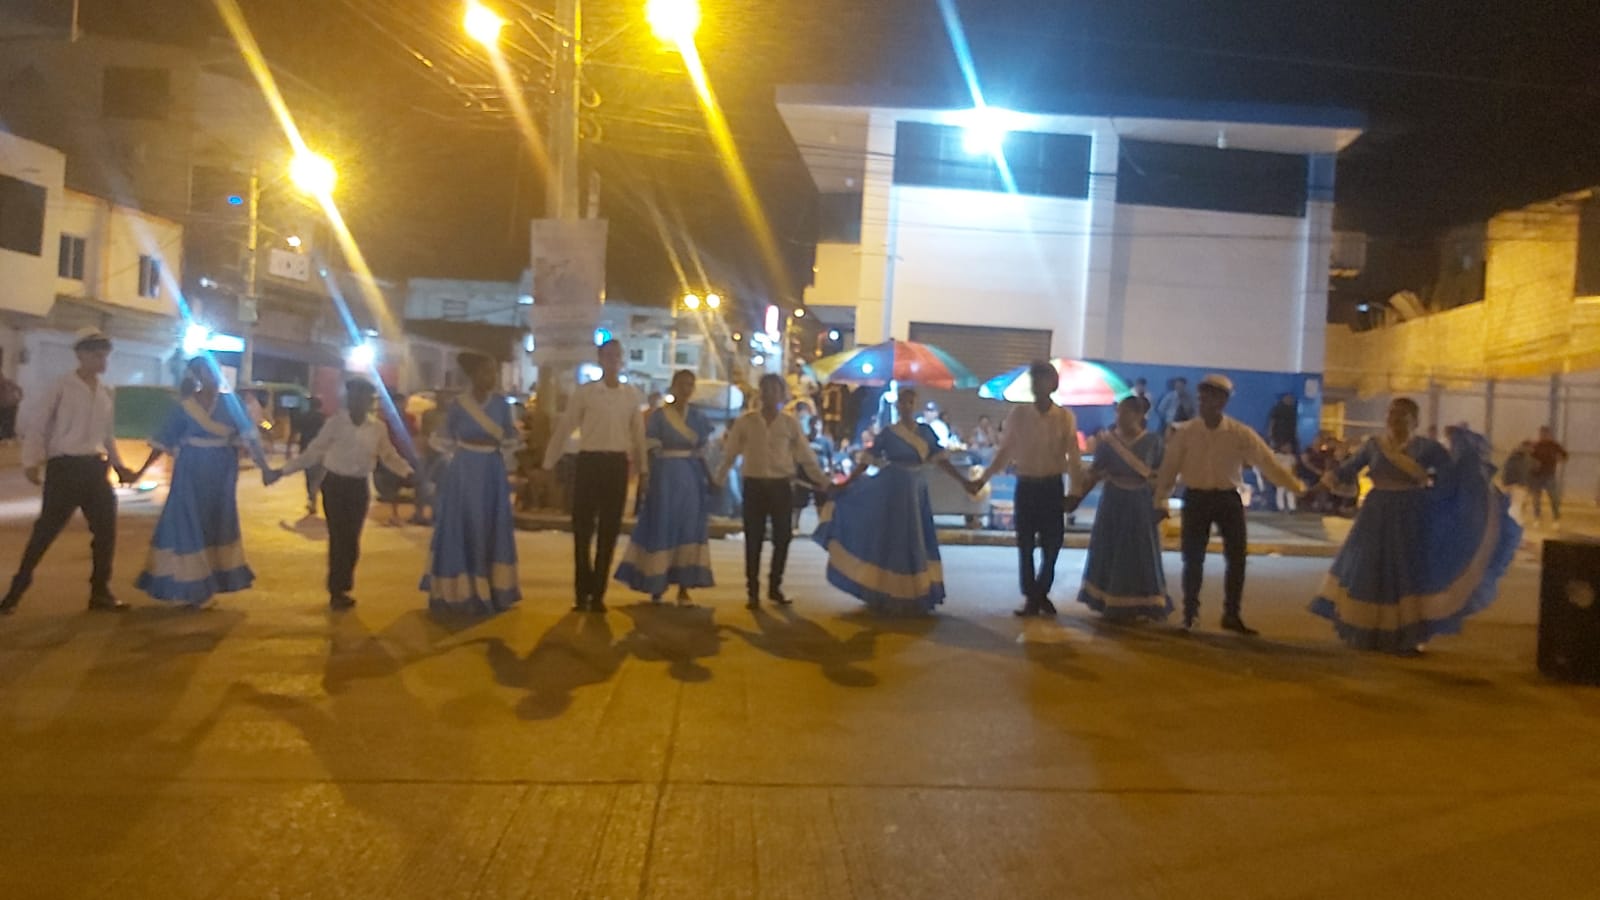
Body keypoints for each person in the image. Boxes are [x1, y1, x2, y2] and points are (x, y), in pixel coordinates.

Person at [1310, 403, 1521, 654]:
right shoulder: (1374, 446)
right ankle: (1368, 633)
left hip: (1411, 518)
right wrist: (1315, 489)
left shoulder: (1428, 449)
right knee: (1370, 568)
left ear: (1415, 421)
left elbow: (1449, 479)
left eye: (1402, 415)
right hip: (1375, 517)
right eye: (1391, 414)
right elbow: (1347, 469)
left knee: (1407, 574)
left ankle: (1405, 637)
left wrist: (1463, 452)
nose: (1395, 419)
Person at [1153, 373, 1306, 635]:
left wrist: (1297, 488)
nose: (1203, 402)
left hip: (1228, 498)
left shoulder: (1240, 433)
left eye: (1210, 398)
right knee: (1192, 558)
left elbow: (1267, 463)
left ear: (1223, 401)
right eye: (1202, 397)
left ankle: (1232, 614)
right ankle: (1190, 614)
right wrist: (1160, 499)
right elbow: (1170, 467)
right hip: (1196, 497)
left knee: (1237, 558)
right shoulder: (1185, 432)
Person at [2, 328, 137, 614]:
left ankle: (100, 592)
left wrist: (118, 466)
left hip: (94, 469)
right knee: (45, 532)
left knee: (106, 532)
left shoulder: (105, 392)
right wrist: (30, 461)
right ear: (81, 355)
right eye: (97, 355)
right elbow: (38, 425)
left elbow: (107, 434)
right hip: (65, 469)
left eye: (105, 355)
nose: (103, 361)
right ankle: (15, 592)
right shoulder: (61, 386)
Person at [814, 387, 971, 615]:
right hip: (892, 491)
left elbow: (942, 460)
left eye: (910, 402)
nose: (906, 406)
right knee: (893, 540)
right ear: (897, 405)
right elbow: (867, 461)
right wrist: (847, 483)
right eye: (902, 402)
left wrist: (964, 481)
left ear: (915, 404)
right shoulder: (889, 433)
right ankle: (887, 592)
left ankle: (915, 593)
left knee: (915, 539)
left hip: (915, 492)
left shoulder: (926, 432)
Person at [131, 357, 270, 606]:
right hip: (190, 472)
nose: (210, 376)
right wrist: (139, 472)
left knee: (215, 524)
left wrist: (265, 468)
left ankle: (206, 584)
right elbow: (164, 441)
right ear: (196, 376)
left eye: (213, 371)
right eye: (204, 372)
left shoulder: (232, 404)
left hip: (221, 474)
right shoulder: (184, 406)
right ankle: (190, 587)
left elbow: (249, 437)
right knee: (187, 523)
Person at [267, 379, 412, 610]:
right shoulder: (335, 424)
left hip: (359, 487)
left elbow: (388, 456)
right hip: (335, 485)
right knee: (338, 538)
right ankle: (337, 590)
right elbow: (313, 452)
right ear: (348, 398)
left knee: (352, 539)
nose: (358, 402)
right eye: (354, 397)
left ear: (369, 402)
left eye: (363, 398)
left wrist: (408, 472)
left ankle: (343, 585)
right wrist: (282, 471)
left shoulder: (377, 428)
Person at [970, 361, 1087, 617]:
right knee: (1025, 544)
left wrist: (1075, 491)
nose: (1037, 385)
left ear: (1053, 384)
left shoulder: (1065, 417)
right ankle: (1032, 595)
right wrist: (984, 478)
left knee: (1052, 544)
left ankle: (1040, 591)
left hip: (1052, 486)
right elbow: (1005, 452)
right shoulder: (1019, 415)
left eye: (1042, 380)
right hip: (1027, 486)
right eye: (1034, 380)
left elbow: (1074, 457)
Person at [544, 340, 648, 613]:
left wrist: (643, 469)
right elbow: (566, 426)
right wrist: (549, 462)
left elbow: (638, 435)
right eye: (608, 355)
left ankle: (598, 593)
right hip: (589, 462)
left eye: (617, 356)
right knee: (582, 530)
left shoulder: (630, 395)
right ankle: (582, 591)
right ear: (600, 359)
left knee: (609, 532)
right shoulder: (587, 393)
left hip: (616, 465)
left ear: (622, 360)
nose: (613, 360)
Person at [714, 373, 830, 610]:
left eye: (774, 390)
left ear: (782, 394)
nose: (769, 394)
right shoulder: (746, 422)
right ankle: (752, 591)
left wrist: (822, 480)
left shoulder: (789, 424)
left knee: (783, 538)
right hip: (754, 485)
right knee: (753, 539)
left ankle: (775, 586)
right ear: (760, 392)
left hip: (781, 486)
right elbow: (730, 454)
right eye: (765, 389)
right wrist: (718, 480)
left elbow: (805, 455)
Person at [422, 353, 521, 616]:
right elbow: (444, 437)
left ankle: (493, 589)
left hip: (492, 470)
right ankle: (462, 591)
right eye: (486, 372)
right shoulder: (459, 404)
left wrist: (510, 444)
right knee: (463, 523)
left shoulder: (501, 405)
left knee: (489, 524)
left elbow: (510, 436)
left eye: (493, 372)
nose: (491, 377)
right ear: (474, 375)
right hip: (464, 470)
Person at [613, 369, 715, 606]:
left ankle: (684, 587)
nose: (686, 389)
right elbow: (650, 448)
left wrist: (710, 479)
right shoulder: (659, 416)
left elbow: (703, 452)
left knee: (688, 527)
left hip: (690, 478)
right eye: (682, 384)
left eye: (690, 384)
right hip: (665, 476)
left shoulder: (698, 417)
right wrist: (647, 476)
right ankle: (656, 583)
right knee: (662, 525)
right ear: (673, 386)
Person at [1070, 396, 1172, 622]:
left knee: (1139, 552)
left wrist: (1161, 504)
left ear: (1138, 415)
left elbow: (1162, 476)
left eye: (1125, 413)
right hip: (1113, 502)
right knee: (1111, 548)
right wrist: (1077, 497)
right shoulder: (1108, 442)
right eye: (1119, 412)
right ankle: (1109, 601)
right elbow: (1094, 473)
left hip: (1140, 503)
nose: (1120, 417)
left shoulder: (1153, 442)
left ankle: (1142, 604)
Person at [292, 396, 327, 517]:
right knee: (319, 476)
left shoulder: (304, 417)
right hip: (319, 451)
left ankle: (312, 500)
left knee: (309, 476)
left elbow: (294, 431)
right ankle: (316, 498)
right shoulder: (323, 418)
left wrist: (288, 448)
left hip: (306, 450)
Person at [1527, 426, 1568, 527]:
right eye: (1542, 434)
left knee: (1554, 497)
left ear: (1549, 435)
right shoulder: (1536, 445)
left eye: (1545, 434)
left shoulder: (1554, 445)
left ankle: (1556, 519)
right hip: (1536, 476)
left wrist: (1560, 458)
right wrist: (1532, 464)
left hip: (1549, 475)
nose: (1543, 436)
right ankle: (1537, 518)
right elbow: (1528, 458)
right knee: (1536, 499)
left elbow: (1565, 455)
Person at [1500, 440, 1534, 525]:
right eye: (1530, 447)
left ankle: (1513, 523)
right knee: (1516, 506)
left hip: (1510, 483)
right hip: (1518, 485)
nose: (1532, 449)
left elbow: (1507, 470)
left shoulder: (1514, 456)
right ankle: (1516, 524)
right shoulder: (1524, 458)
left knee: (1512, 506)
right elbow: (1523, 472)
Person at [0, 371, 21, 442]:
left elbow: (19, 390)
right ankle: (7, 437)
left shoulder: (8, 382)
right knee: (4, 424)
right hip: (3, 407)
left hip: (10, 406)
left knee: (9, 424)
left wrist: (17, 400)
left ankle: (9, 437)